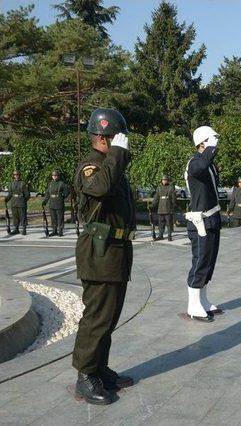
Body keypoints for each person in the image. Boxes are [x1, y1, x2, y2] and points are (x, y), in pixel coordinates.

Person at [71, 107, 136, 405]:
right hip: (99, 251)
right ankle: (85, 376)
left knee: (109, 318)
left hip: (116, 251)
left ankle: (99, 368)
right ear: (103, 137)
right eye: (118, 137)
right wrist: (118, 154)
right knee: (96, 318)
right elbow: (99, 188)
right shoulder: (92, 166)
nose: (123, 142)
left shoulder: (112, 165)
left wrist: (118, 157)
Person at [184, 126, 224, 321]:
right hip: (200, 222)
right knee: (200, 261)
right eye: (211, 139)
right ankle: (193, 304)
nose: (216, 142)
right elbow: (199, 168)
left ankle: (203, 300)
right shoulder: (195, 163)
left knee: (209, 262)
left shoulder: (209, 163)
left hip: (212, 219)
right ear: (202, 143)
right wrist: (210, 149)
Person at [42, 170, 68, 236]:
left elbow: (66, 192)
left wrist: (62, 196)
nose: (55, 177)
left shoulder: (61, 183)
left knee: (60, 218)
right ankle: (54, 230)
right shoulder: (50, 184)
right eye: (53, 176)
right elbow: (48, 194)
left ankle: (60, 230)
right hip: (52, 203)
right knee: (53, 218)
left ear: (58, 176)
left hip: (59, 202)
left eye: (56, 176)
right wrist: (45, 201)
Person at [151, 175, 177, 241]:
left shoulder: (171, 188)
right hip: (160, 208)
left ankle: (169, 236)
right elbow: (156, 198)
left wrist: (173, 205)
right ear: (161, 181)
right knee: (161, 224)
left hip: (168, 208)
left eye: (165, 180)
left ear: (167, 180)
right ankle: (160, 236)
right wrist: (152, 205)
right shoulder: (159, 188)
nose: (164, 181)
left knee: (169, 223)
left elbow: (173, 199)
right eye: (163, 180)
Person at [5, 170, 30, 235]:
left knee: (23, 216)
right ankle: (16, 229)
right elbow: (10, 193)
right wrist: (6, 199)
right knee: (15, 216)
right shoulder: (11, 183)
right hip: (14, 202)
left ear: (20, 175)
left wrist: (23, 200)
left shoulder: (23, 183)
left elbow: (27, 195)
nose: (16, 176)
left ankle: (24, 229)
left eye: (17, 175)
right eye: (15, 175)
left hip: (21, 202)